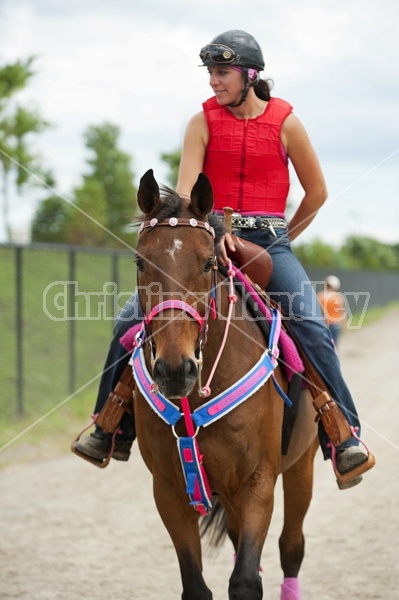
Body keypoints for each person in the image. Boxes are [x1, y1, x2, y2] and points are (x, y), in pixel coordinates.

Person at [73, 29, 374, 489]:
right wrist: (215, 233)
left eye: (222, 73)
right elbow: (188, 196)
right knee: (126, 322)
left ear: (250, 75)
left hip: (270, 243)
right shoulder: (202, 122)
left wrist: (282, 240)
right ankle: (110, 427)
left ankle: (342, 435)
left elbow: (317, 193)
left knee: (311, 324)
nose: (214, 82)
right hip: (207, 237)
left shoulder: (287, 122)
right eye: (211, 73)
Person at [317, 275, 346, 348]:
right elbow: (341, 313)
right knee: (334, 346)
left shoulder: (319, 296)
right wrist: (344, 325)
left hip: (323, 324)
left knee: (324, 345)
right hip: (335, 324)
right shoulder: (338, 297)